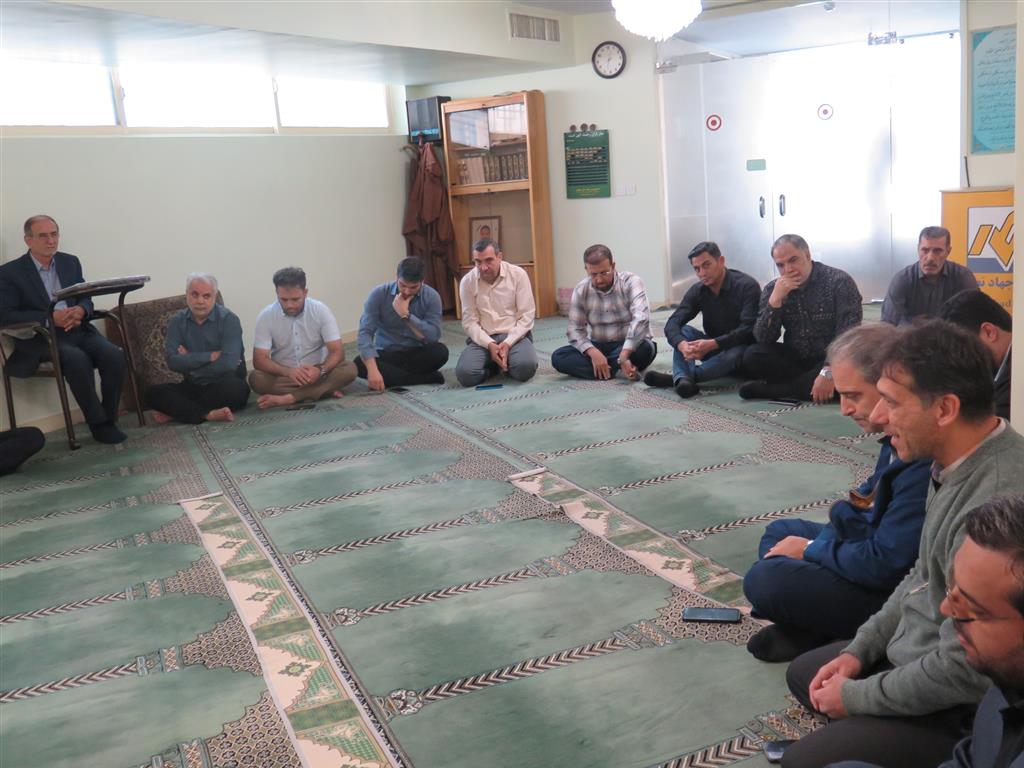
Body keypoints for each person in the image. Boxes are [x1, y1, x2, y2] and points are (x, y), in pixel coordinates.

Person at [779, 320, 1024, 768]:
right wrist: (860, 650)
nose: (877, 417)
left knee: (806, 760)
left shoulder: (991, 501)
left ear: (945, 409)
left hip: (966, 706)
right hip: (924, 652)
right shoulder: (951, 459)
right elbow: (920, 574)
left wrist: (857, 696)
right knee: (806, 674)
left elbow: (966, 670)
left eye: (891, 402)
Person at [744, 324, 929, 663]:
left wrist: (813, 550)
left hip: (890, 593)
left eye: (853, 396)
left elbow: (888, 566)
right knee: (779, 534)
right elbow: (866, 501)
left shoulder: (920, 456)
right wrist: (823, 543)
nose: (844, 409)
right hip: (872, 547)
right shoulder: (895, 437)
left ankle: (826, 628)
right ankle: (815, 627)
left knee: (765, 579)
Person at [828, 495, 1024, 768]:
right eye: (952, 590)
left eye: (972, 608)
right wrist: (861, 649)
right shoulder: (1006, 679)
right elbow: (972, 758)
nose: (945, 609)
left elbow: (883, 561)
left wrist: (855, 697)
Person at [0, 215, 128, 444]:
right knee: (76, 359)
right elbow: (6, 315)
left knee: (114, 355)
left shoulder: (70, 262)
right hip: (41, 337)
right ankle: (98, 424)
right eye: (43, 236)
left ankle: (109, 418)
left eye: (54, 234)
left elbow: (85, 296)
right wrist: (49, 318)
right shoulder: (10, 273)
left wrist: (81, 310)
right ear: (28, 240)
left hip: (77, 330)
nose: (51, 241)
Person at [740, 234, 862, 403]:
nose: (788, 269)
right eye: (781, 265)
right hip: (796, 360)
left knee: (854, 370)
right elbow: (763, 339)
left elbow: (848, 335)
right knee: (752, 355)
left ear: (807, 255)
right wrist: (775, 302)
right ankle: (805, 388)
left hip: (830, 359)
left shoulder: (838, 282)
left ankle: (777, 390)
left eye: (793, 260)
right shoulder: (773, 289)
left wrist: (828, 371)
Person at [643, 241, 760, 398]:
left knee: (739, 352)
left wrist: (713, 344)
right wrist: (682, 344)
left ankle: (680, 378)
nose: (702, 273)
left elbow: (748, 330)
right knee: (684, 331)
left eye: (706, 265)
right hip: (713, 349)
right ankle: (683, 378)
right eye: (697, 269)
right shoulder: (698, 290)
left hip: (742, 351)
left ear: (721, 261)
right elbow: (673, 323)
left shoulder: (747, 286)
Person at [146, 273, 249, 424]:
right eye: (194, 295)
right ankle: (207, 414)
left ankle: (182, 412)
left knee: (237, 390)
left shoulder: (229, 319)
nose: (200, 301)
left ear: (214, 297)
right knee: (152, 393)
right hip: (193, 386)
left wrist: (191, 364)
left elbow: (228, 364)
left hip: (224, 382)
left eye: (206, 296)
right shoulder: (177, 322)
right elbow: (172, 361)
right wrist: (210, 356)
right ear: (186, 295)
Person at [249, 267, 356, 409]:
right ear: (277, 293)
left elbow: (337, 352)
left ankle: (289, 398)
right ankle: (322, 391)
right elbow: (259, 360)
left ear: (305, 293)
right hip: (285, 377)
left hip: (318, 374)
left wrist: (320, 370)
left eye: (295, 299)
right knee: (256, 379)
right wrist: (288, 372)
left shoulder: (320, 310)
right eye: (283, 299)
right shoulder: (266, 316)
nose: (289, 305)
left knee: (349, 369)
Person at [551, 244, 657, 381]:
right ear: (586, 269)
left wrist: (624, 354)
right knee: (559, 357)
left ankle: (606, 368)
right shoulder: (581, 289)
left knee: (646, 348)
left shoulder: (631, 282)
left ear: (613, 266)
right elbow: (575, 329)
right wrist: (593, 352)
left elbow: (641, 319)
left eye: (604, 273)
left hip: (629, 345)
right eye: (593, 274)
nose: (599, 279)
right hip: (599, 345)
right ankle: (616, 369)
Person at [354, 257, 447, 390]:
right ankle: (425, 378)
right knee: (359, 363)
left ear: (422, 282)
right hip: (387, 352)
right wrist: (373, 370)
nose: (407, 291)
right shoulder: (379, 294)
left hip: (416, 352)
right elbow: (365, 333)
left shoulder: (432, 297)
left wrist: (406, 316)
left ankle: (394, 378)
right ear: (397, 278)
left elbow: (433, 337)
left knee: (440, 352)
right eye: (403, 285)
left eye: (413, 287)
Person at [455, 238, 537, 387]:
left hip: (514, 336)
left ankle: (505, 361)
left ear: (500, 256)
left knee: (525, 368)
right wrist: (489, 344)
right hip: (483, 338)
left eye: (489, 261)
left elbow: (527, 316)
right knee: (465, 375)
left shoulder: (518, 275)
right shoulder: (467, 282)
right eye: (478, 262)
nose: (483, 267)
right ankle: (493, 367)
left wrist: (508, 342)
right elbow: (469, 322)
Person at [881, 226, 978, 327]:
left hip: (950, 336)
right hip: (912, 336)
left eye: (938, 251)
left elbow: (976, 320)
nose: (930, 258)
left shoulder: (963, 277)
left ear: (948, 251)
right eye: (925, 250)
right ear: (918, 249)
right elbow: (888, 325)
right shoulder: (902, 280)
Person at [941, 289, 1012, 420]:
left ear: (989, 332)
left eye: (964, 350)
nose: (964, 360)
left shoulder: (1014, 386)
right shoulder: (1002, 367)